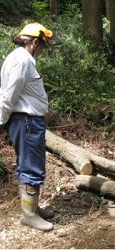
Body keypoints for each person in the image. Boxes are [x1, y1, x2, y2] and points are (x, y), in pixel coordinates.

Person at [0, 22, 61, 231]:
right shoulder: (22, 61)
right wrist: (2, 120)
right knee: (31, 166)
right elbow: (8, 95)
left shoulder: (17, 58)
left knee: (28, 163)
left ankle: (32, 209)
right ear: (35, 42)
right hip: (26, 121)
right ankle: (29, 215)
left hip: (27, 120)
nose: (42, 51)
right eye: (42, 46)